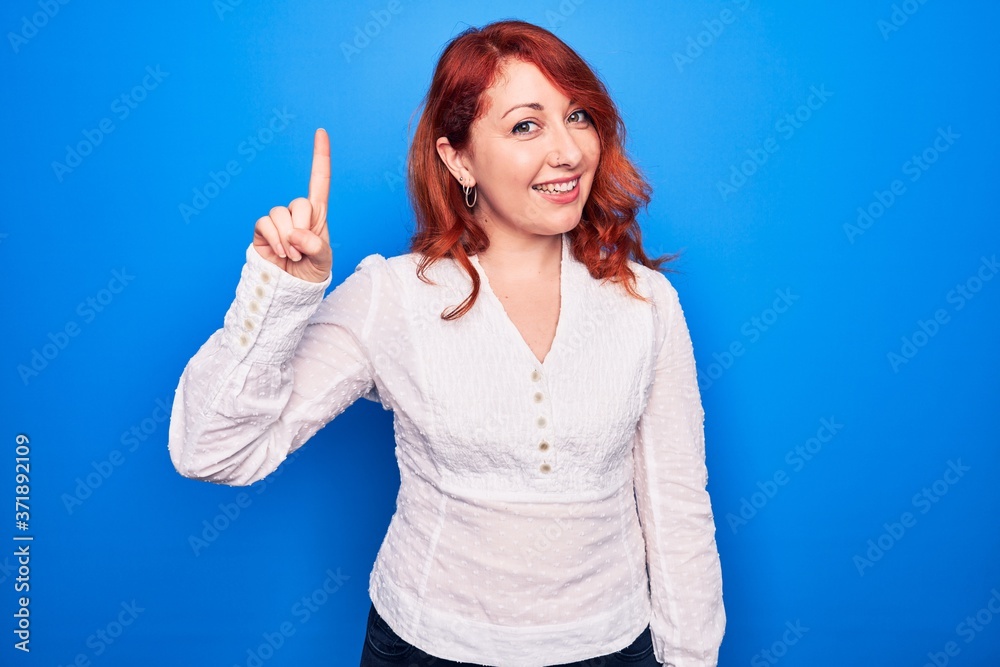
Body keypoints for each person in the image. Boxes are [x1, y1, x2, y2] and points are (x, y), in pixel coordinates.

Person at [168, 18, 725, 667]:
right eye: (525, 125)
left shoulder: (645, 302)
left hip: (611, 647)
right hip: (427, 649)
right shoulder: (394, 296)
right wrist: (282, 293)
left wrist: (691, 659)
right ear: (458, 157)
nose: (569, 150)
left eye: (578, 116)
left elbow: (678, 505)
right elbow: (212, 448)